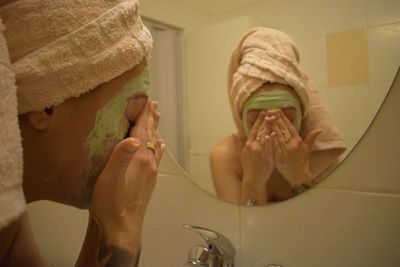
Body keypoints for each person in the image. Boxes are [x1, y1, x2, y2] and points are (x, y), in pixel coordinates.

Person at [0, 0, 165, 266]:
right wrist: (123, 234)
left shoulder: (9, 214)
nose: (139, 134)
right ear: (46, 105)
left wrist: (110, 219)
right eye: (132, 113)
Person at [210, 27, 346, 206]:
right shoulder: (225, 156)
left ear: (302, 111)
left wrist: (300, 178)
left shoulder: (319, 152)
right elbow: (240, 231)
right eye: (255, 119)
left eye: (287, 118)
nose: (272, 128)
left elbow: (332, 225)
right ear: (240, 116)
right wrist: (253, 181)